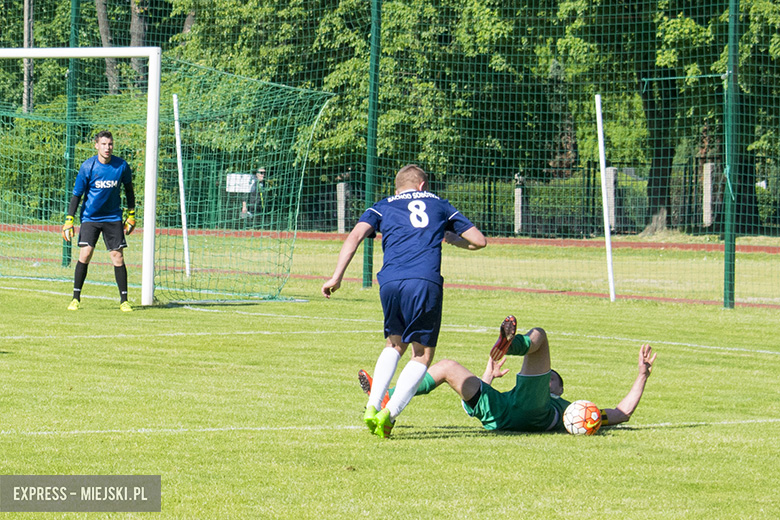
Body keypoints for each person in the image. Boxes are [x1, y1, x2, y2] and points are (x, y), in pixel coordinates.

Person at [322, 164, 487, 438]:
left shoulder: (383, 205)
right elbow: (478, 241)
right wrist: (450, 238)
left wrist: (336, 277)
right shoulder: (439, 204)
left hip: (389, 282)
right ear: (422, 185)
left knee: (394, 344)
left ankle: (372, 405)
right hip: (424, 281)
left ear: (397, 188)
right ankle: (390, 413)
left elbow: (355, 236)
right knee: (422, 354)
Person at [359, 315, 657, 433]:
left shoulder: (568, 409)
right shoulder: (563, 407)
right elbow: (471, 407)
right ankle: (392, 397)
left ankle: (514, 345)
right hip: (500, 411)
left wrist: (642, 375)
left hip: (532, 412)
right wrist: (487, 374)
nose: (548, 375)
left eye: (553, 377)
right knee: (447, 366)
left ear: (558, 390)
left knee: (539, 335)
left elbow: (623, 412)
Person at [61, 131, 136, 312]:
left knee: (117, 256)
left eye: (110, 144)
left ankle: (124, 300)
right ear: (96, 146)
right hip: (90, 218)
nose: (107, 148)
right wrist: (69, 220)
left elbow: (129, 191)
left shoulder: (121, 166)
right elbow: (77, 195)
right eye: (103, 144)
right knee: (85, 254)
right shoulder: (88, 167)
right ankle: (75, 298)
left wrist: (131, 215)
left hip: (113, 218)